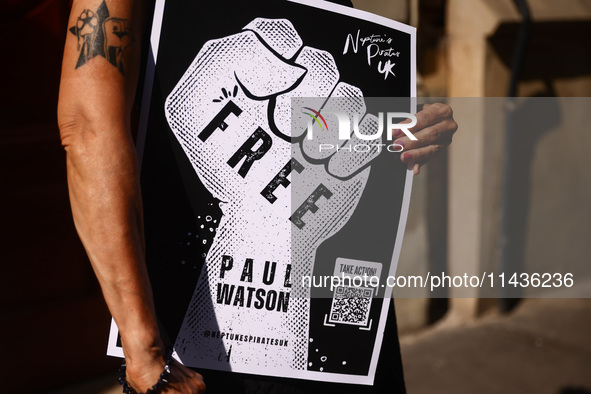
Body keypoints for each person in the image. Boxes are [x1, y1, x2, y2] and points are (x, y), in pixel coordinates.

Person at [57, 0, 457, 393]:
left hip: (337, 334)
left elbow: (344, 95)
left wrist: (403, 131)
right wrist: (145, 353)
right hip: (195, 353)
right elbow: (89, 129)